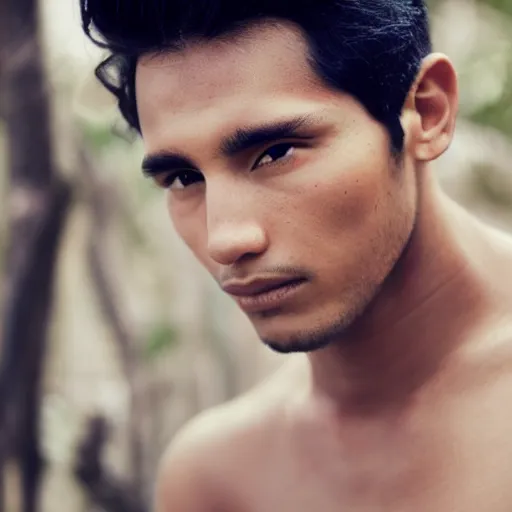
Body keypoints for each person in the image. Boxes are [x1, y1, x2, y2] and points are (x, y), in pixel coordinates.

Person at [80, 0, 512, 510]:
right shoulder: (216, 479)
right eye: (183, 178)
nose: (225, 239)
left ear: (427, 111)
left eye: (276, 152)